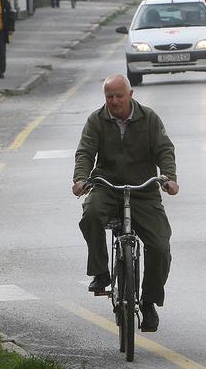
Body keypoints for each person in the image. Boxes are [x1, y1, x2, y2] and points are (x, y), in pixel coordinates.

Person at [72, 75, 178, 333]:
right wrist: (80, 179)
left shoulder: (149, 118)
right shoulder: (96, 120)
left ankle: (149, 301)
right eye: (109, 96)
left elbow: (164, 149)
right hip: (107, 187)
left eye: (119, 95)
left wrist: (169, 179)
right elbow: (85, 152)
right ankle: (101, 273)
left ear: (130, 94)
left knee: (160, 245)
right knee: (91, 214)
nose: (115, 101)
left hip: (143, 190)